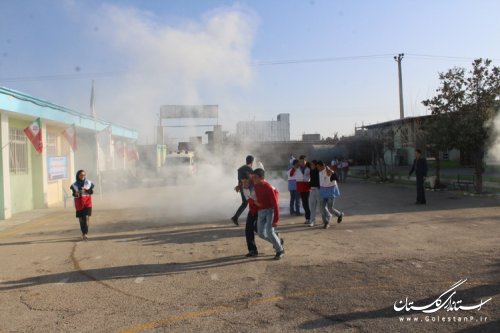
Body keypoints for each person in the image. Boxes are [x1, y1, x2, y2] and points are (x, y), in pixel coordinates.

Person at [252, 168, 285, 260]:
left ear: (262, 178)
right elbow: (247, 183)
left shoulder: (268, 187)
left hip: (270, 211)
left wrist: (276, 219)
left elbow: (275, 204)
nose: (253, 179)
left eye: (255, 177)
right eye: (253, 177)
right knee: (261, 233)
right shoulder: (256, 185)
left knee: (270, 232)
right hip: (261, 211)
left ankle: (280, 250)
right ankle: (278, 241)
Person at [318, 161, 344, 229]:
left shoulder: (329, 171)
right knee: (322, 208)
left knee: (330, 208)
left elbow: (337, 179)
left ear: (322, 166)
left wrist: (332, 173)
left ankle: (339, 214)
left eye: (318, 167)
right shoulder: (320, 172)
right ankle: (326, 223)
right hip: (323, 192)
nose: (317, 168)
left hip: (330, 191)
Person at [70, 170, 95, 240]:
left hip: (87, 202)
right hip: (79, 203)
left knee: (86, 217)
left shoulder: (89, 183)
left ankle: (85, 233)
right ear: (78, 175)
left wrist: (86, 189)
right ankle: (83, 232)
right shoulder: (74, 185)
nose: (82, 176)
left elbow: (91, 192)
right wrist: (76, 193)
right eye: (81, 175)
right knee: (81, 219)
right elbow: (73, 194)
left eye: (84, 175)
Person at [231, 155, 254, 226]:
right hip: (246, 188)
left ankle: (235, 217)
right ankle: (253, 220)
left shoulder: (240, 168)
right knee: (251, 202)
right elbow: (249, 179)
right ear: (252, 161)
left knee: (245, 203)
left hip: (242, 187)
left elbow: (239, 179)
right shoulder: (250, 169)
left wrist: (239, 187)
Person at [240, 174, 259, 257]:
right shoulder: (244, 188)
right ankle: (252, 250)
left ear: (250, 180)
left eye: (246, 181)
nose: (245, 184)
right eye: (243, 182)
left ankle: (277, 239)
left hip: (260, 209)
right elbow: (250, 200)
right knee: (248, 229)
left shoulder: (256, 186)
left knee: (260, 230)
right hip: (252, 210)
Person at [296, 155, 311, 224]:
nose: (301, 162)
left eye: (303, 161)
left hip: (306, 187)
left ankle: (309, 218)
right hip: (301, 187)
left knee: (306, 203)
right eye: (300, 161)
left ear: (306, 161)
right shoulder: (298, 168)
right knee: (304, 203)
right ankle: (308, 218)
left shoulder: (309, 168)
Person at [308, 160, 321, 227]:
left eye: (312, 165)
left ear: (316, 165)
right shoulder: (310, 171)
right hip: (312, 190)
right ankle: (312, 220)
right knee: (312, 206)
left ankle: (326, 219)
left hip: (318, 190)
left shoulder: (319, 172)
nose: (311, 166)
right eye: (311, 165)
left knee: (321, 206)